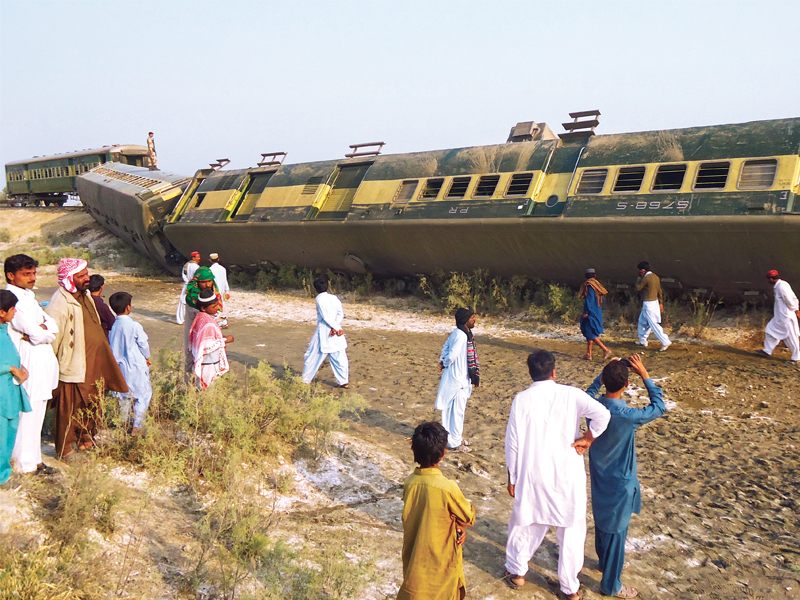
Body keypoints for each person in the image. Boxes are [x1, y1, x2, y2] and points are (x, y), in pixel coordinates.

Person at [504, 349, 611, 599]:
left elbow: (513, 443)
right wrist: (588, 438)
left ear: (531, 373)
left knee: (525, 521)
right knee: (571, 529)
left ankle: (517, 572)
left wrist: (512, 476)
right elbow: (603, 414)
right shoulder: (571, 394)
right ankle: (570, 589)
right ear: (554, 371)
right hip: (567, 474)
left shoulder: (522, 399)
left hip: (533, 472)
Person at [586, 355, 665, 598]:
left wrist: (603, 375)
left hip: (600, 475)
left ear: (604, 381)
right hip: (621, 480)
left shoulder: (593, 408)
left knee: (602, 521)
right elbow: (659, 407)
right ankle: (611, 585)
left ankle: (604, 563)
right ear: (627, 385)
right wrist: (646, 375)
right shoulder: (628, 415)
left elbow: (586, 394)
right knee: (617, 531)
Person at [46, 258, 128, 459]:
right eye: (81, 276)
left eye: (87, 273)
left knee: (93, 403)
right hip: (74, 365)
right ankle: (65, 449)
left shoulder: (86, 296)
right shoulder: (59, 304)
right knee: (69, 408)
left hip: (94, 364)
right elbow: (52, 340)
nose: (87, 278)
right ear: (69, 279)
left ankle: (86, 440)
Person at [396, 421, 476, 600]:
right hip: (441, 564)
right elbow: (469, 517)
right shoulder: (447, 488)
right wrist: (459, 524)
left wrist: (456, 524)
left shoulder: (410, 482)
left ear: (414, 451)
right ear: (443, 453)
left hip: (415, 559)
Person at [5, 254, 59, 476]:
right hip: (27, 359)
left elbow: (52, 326)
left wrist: (42, 331)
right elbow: (36, 332)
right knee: (27, 413)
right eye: (26, 274)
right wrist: (41, 331)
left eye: (33, 273)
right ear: (11, 275)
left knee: (37, 412)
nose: (32, 278)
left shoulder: (29, 297)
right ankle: (24, 464)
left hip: (40, 359)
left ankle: (35, 460)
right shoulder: (11, 299)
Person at [435, 307, 478, 453]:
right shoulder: (461, 335)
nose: (474, 319)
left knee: (453, 410)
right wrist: (446, 362)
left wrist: (443, 361)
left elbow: (445, 348)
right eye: (472, 317)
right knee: (455, 411)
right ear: (465, 320)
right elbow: (452, 355)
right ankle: (454, 442)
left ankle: (455, 438)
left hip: (458, 377)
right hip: (457, 379)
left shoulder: (460, 333)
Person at [108, 292, 152, 435]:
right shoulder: (134, 326)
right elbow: (143, 344)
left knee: (124, 396)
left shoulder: (114, 327)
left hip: (120, 367)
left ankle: (123, 422)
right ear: (128, 307)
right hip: (136, 365)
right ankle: (138, 425)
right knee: (143, 395)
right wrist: (147, 356)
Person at [0, 290, 32, 488]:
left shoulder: (4, 330)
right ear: (2, 312)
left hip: (9, 393)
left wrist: (19, 367)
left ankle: (4, 472)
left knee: (8, 434)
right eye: (12, 309)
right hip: (2, 395)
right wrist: (11, 368)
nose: (15, 313)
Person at [302, 278, 349, 388]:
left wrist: (334, 328)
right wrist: (336, 327)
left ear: (315, 289)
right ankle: (343, 381)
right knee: (339, 356)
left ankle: (304, 381)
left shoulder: (319, 299)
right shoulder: (334, 298)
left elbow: (325, 316)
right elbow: (340, 314)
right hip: (336, 330)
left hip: (324, 330)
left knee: (312, 355)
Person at [189, 288, 233, 389]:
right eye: (214, 306)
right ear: (204, 308)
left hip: (205, 362)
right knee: (208, 389)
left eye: (217, 305)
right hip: (209, 363)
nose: (217, 308)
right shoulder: (208, 323)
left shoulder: (200, 317)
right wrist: (226, 340)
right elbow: (207, 345)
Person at [183, 266, 219, 380]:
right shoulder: (193, 297)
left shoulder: (213, 291)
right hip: (196, 334)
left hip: (209, 334)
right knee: (191, 356)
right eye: (203, 282)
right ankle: (189, 386)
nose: (207, 284)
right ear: (197, 282)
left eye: (209, 281)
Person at [757, 270, 800, 363]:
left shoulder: (781, 286)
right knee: (770, 331)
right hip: (779, 316)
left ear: (771, 279)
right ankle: (767, 351)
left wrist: (795, 309)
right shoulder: (780, 285)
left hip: (786, 316)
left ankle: (796, 358)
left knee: (791, 337)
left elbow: (790, 299)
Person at [635, 261, 671, 351]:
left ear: (643, 270)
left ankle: (665, 341)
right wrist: (661, 303)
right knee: (642, 321)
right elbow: (660, 291)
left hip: (648, 303)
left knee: (653, 324)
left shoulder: (646, 278)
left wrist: (639, 278)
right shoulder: (656, 277)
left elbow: (638, 288)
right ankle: (642, 340)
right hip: (654, 302)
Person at [579, 268, 613, 362]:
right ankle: (588, 354)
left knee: (590, 333)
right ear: (595, 275)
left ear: (586, 277)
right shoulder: (598, 286)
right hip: (597, 311)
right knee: (591, 332)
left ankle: (606, 350)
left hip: (591, 313)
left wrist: (586, 312)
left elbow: (589, 300)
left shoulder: (589, 286)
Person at [176, 251, 201, 325]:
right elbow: (197, 278)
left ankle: (179, 319)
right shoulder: (197, 267)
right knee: (195, 302)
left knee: (183, 302)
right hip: (194, 286)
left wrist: (187, 284)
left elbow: (184, 275)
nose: (199, 258)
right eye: (198, 257)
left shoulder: (186, 265)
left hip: (187, 285)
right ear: (193, 258)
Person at [88, 274, 116, 338]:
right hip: (100, 338)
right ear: (102, 287)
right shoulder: (101, 305)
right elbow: (113, 323)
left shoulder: (83, 300)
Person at [209, 253, 230, 328]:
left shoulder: (210, 270)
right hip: (221, 291)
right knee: (222, 306)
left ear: (211, 260)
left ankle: (218, 323)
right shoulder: (223, 269)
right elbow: (225, 280)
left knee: (215, 306)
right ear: (218, 259)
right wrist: (227, 291)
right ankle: (224, 322)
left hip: (214, 291)